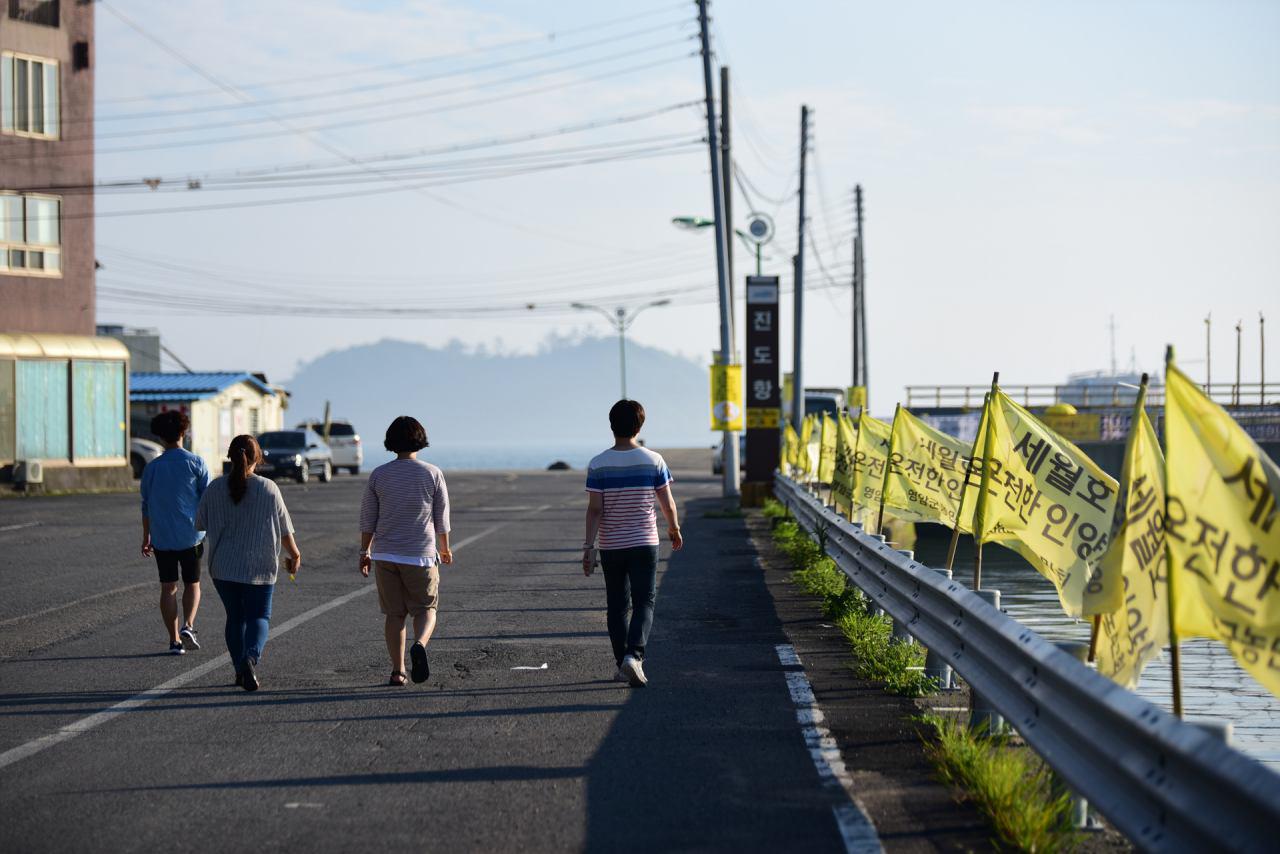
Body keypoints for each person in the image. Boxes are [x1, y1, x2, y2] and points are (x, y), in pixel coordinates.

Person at [583, 400, 682, 687]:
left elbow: (594, 510)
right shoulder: (654, 460)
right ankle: (634, 657)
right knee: (644, 602)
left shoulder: (598, 463)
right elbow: (667, 504)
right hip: (644, 543)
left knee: (616, 606)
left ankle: (621, 662)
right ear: (639, 426)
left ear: (611, 426)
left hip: (611, 544)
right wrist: (674, 529)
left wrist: (588, 547)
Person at [195, 435, 300, 691]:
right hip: (260, 566)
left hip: (223, 567)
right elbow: (284, 530)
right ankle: (250, 659)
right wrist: (295, 555)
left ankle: (240, 669)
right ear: (258, 458)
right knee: (259, 616)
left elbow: (200, 524)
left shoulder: (215, 488)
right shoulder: (268, 488)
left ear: (230, 456)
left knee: (235, 618)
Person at [359, 416, 451, 687]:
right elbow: (441, 519)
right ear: (420, 439)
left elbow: (368, 519)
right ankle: (420, 644)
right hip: (420, 554)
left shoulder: (379, 474)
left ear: (391, 441)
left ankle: (398, 671)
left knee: (394, 615)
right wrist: (444, 549)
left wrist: (364, 551)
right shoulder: (432, 473)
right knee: (426, 608)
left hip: (386, 555)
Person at [140, 410, 210, 655]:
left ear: (160, 436)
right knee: (193, 583)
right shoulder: (196, 463)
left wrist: (146, 536)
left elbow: (146, 505)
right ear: (183, 432)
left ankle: (174, 641)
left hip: (162, 537)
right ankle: (188, 626)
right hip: (191, 536)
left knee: (168, 587)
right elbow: (206, 499)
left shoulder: (152, 468)